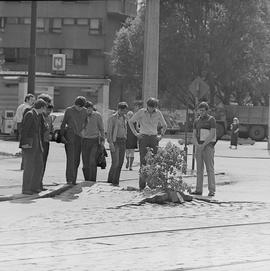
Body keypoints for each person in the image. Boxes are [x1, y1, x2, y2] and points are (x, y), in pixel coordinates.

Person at [129, 97, 167, 190]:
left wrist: (161, 136)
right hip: (143, 137)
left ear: (155, 107)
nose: (151, 109)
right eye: (150, 107)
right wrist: (136, 134)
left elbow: (164, 125)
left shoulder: (158, 113)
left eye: (153, 107)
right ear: (147, 106)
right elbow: (130, 121)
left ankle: (152, 183)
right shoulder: (141, 112)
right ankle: (142, 184)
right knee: (143, 161)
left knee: (153, 161)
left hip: (154, 138)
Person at [19, 99, 47, 195]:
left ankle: (35, 187)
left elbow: (40, 130)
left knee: (39, 166)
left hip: (37, 145)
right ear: (42, 107)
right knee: (29, 167)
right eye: (44, 108)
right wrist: (24, 144)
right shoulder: (30, 114)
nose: (45, 110)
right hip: (29, 145)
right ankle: (26, 189)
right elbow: (24, 130)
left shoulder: (39, 115)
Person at [60, 96, 87, 185]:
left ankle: (74, 179)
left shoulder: (84, 111)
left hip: (79, 137)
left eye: (81, 107)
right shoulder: (69, 110)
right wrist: (62, 136)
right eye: (78, 107)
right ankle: (70, 179)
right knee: (70, 159)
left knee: (77, 159)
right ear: (75, 104)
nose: (79, 109)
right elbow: (63, 123)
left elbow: (86, 122)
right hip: (70, 135)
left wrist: (83, 130)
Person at [192, 102, 216, 197]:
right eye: (199, 110)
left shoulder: (211, 120)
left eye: (203, 110)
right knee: (199, 169)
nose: (201, 112)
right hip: (199, 147)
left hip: (208, 146)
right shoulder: (196, 121)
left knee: (210, 169)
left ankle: (212, 190)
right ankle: (198, 189)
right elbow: (194, 134)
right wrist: (197, 145)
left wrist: (204, 144)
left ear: (207, 110)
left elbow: (212, 134)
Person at [81, 101, 105, 182]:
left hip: (95, 141)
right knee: (85, 164)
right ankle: (87, 180)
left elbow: (101, 129)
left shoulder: (97, 115)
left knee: (92, 161)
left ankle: (92, 180)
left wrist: (102, 141)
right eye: (87, 109)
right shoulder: (82, 116)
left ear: (92, 108)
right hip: (84, 141)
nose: (89, 111)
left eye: (90, 109)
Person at [107, 102, 128, 186]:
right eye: (122, 110)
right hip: (115, 142)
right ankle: (110, 181)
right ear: (118, 109)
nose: (123, 112)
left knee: (120, 163)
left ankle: (115, 182)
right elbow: (109, 132)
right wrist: (110, 143)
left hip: (123, 141)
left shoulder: (125, 118)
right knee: (115, 162)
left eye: (125, 111)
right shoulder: (112, 118)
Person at [42, 103, 54, 183]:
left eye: (50, 110)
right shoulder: (40, 117)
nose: (49, 112)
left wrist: (52, 133)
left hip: (46, 142)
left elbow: (51, 128)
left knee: (44, 162)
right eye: (47, 110)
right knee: (39, 163)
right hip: (40, 141)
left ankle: (40, 181)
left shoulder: (50, 118)